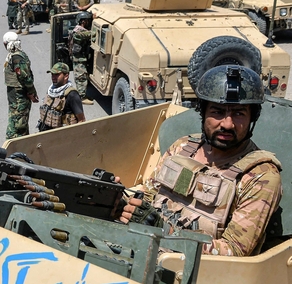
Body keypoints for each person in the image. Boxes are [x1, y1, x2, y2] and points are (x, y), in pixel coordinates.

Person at [120, 65, 282, 257]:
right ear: (203, 113)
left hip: (200, 274)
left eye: (239, 113)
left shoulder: (260, 176)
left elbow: (235, 251)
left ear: (252, 118)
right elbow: (148, 195)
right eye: (218, 112)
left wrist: (168, 234)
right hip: (146, 250)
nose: (227, 124)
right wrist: (118, 201)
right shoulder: (183, 148)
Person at [3, 32, 38, 138]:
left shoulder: (17, 57)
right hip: (15, 98)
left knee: (18, 127)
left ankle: (16, 150)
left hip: (19, 98)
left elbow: (25, 77)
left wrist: (31, 92)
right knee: (18, 124)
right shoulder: (13, 56)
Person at [38, 62, 85, 131]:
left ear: (66, 76)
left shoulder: (72, 95)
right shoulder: (51, 91)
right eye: (52, 74)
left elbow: (82, 120)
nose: (53, 77)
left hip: (63, 136)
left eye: (57, 75)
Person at [70, 11, 94, 105]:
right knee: (81, 77)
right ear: (83, 21)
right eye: (88, 21)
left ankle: (83, 95)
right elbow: (92, 34)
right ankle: (81, 97)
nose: (89, 22)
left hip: (80, 58)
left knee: (83, 76)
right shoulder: (78, 32)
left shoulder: (79, 29)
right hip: (78, 59)